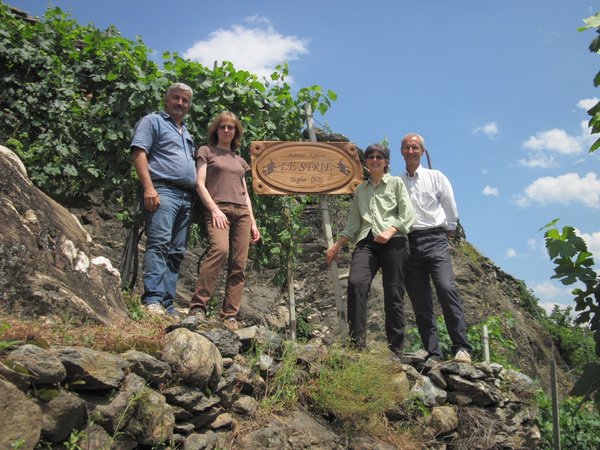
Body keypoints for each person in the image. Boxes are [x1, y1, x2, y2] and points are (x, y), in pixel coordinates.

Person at [326, 144, 415, 356]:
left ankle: (395, 349)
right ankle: (357, 345)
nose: (375, 160)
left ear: (386, 162)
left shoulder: (396, 184)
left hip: (394, 241)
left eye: (379, 157)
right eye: (371, 157)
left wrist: (391, 230)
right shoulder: (360, 190)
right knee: (356, 282)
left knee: (393, 292)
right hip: (366, 242)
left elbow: (408, 214)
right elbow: (353, 224)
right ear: (366, 161)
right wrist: (337, 246)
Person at [400, 133, 473, 364]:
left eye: (415, 147)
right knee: (420, 299)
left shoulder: (436, 176)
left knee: (446, 287)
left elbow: (450, 205)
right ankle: (433, 351)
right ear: (402, 152)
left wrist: (448, 230)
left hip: (435, 238)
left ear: (422, 151)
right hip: (409, 242)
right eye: (406, 148)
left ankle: (462, 347)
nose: (411, 151)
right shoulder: (396, 182)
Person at [189, 112, 260, 329]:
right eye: (223, 127)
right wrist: (214, 210)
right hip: (218, 208)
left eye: (231, 127)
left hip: (242, 213)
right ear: (216, 130)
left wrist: (253, 222)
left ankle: (230, 315)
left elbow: (245, 192)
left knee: (239, 264)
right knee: (219, 250)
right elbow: (199, 183)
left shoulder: (240, 161)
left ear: (236, 132)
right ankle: (198, 307)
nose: (227, 130)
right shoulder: (206, 151)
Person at [130, 82, 196, 318]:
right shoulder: (153, 121)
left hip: (186, 197)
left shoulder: (186, 132)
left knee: (177, 251)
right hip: (163, 190)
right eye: (176, 98)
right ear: (167, 99)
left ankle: (167, 305)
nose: (180, 103)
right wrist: (148, 188)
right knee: (159, 244)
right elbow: (139, 152)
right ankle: (152, 301)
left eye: (185, 100)